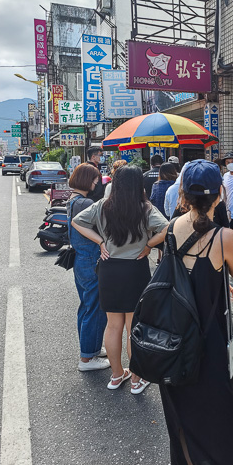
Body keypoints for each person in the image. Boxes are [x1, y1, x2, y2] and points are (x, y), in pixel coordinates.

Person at [158, 159, 233, 465]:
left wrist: (212, 278)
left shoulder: (170, 229)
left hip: (172, 342)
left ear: (182, 193)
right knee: (218, 421)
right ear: (220, 194)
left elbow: (176, 276)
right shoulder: (224, 237)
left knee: (181, 421)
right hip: (209, 346)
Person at [72, 166, 169, 394]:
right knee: (133, 327)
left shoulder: (103, 205)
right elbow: (167, 228)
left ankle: (116, 376)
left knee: (113, 325)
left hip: (109, 270)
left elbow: (77, 221)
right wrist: (148, 245)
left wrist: (101, 242)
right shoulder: (145, 208)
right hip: (135, 269)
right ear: (138, 185)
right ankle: (136, 380)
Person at [67, 163, 110, 372]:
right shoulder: (84, 203)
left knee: (86, 306)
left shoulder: (73, 199)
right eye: (95, 180)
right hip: (90, 259)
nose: (96, 184)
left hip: (80, 259)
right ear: (87, 180)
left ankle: (90, 348)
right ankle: (87, 359)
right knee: (94, 307)